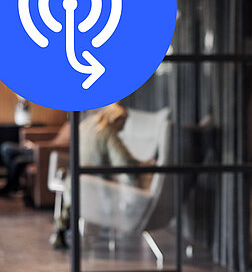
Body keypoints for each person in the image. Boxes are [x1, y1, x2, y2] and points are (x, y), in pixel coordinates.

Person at [50, 103, 147, 248]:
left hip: (74, 180)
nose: (123, 128)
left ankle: (62, 229)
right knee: (132, 180)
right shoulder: (107, 131)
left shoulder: (85, 124)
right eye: (123, 123)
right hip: (96, 185)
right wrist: (142, 166)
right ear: (116, 118)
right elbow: (123, 161)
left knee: (72, 202)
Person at [0, 122, 70, 196]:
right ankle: (13, 182)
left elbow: (58, 147)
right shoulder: (68, 125)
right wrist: (34, 145)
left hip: (45, 153)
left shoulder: (74, 128)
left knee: (18, 160)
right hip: (40, 150)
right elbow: (53, 143)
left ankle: (11, 185)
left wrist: (36, 147)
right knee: (6, 147)